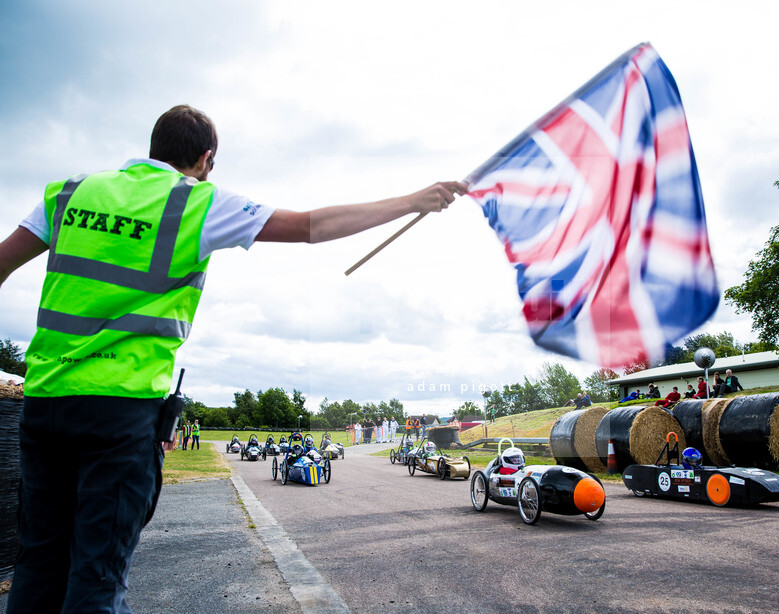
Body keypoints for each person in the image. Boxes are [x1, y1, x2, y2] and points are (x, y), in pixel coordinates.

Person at [0, 104, 467, 613]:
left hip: (44, 404)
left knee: (38, 567)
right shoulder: (195, 202)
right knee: (97, 578)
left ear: (154, 146)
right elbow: (310, 226)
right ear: (205, 159)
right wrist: (412, 200)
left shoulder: (69, 191)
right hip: (120, 411)